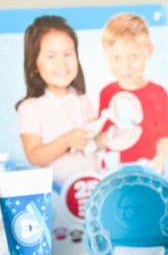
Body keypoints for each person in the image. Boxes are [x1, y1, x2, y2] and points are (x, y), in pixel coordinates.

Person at [17, 15, 105, 185]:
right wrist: (66, 141)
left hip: (91, 188)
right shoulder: (31, 108)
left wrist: (108, 139)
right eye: (51, 56)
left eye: (68, 54)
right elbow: (34, 156)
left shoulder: (82, 100)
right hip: (58, 196)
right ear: (35, 64)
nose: (62, 63)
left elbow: (92, 144)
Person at [98, 13, 168, 174]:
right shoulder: (107, 93)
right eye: (116, 58)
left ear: (149, 52)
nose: (125, 66)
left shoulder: (157, 94)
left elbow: (164, 133)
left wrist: (160, 157)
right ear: (106, 55)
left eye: (134, 56)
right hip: (113, 174)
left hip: (147, 171)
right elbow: (102, 136)